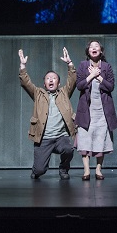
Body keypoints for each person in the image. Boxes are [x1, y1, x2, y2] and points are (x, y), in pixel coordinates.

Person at [19, 47, 76, 180]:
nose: (51, 80)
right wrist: (22, 66)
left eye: (54, 78)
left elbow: (72, 80)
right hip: (44, 138)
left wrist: (69, 63)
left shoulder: (64, 93)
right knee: (39, 170)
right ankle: (37, 169)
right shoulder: (38, 93)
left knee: (69, 149)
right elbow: (26, 83)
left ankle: (63, 168)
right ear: (44, 84)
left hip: (61, 137)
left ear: (58, 83)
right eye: (48, 78)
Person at [75, 40, 117, 180]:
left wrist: (98, 77)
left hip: (102, 111)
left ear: (101, 51)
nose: (94, 48)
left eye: (96, 46)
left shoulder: (106, 66)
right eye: (91, 47)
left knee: (101, 139)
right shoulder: (83, 65)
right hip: (86, 110)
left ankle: (98, 169)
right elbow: (79, 85)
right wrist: (91, 76)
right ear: (88, 51)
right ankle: (86, 170)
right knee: (84, 140)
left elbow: (110, 87)